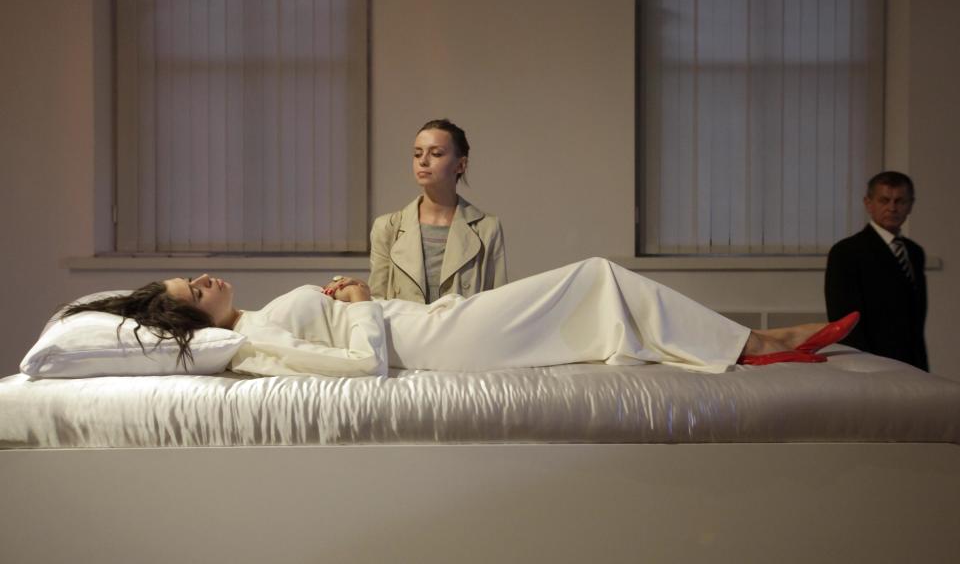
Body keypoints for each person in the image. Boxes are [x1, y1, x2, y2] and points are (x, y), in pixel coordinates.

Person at [62, 258, 858, 378]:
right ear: (193, 320)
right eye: (193, 290)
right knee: (595, 273)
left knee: (597, 280)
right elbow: (358, 369)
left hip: (430, 317)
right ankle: (756, 343)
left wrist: (353, 303)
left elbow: (348, 333)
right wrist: (367, 310)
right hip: (427, 341)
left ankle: (743, 344)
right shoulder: (250, 335)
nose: (206, 278)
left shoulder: (263, 313)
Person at [367, 119, 507, 303]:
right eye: (417, 154)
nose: (423, 161)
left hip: (463, 331)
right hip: (404, 331)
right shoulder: (388, 227)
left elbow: (498, 304)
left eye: (436, 153)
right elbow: (377, 300)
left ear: (461, 165)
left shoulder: (486, 228)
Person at [825, 171, 928, 371]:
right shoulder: (847, 251)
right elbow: (844, 319)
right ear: (868, 203)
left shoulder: (914, 252)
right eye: (884, 200)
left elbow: (915, 317)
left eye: (900, 201)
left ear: (910, 205)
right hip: (871, 363)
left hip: (911, 362)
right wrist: (864, 365)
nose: (892, 208)